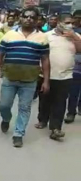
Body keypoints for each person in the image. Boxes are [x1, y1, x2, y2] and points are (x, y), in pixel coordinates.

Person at [0, 7, 50, 148]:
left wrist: (46, 81)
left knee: (24, 108)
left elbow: (45, 60)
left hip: (30, 80)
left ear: (37, 21)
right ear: (21, 18)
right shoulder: (9, 35)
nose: (29, 19)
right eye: (26, 16)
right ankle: (6, 119)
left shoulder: (42, 38)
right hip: (9, 78)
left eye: (32, 17)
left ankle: (18, 134)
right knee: (4, 105)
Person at [35, 13, 81, 141]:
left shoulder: (75, 36)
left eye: (71, 23)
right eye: (66, 22)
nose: (70, 25)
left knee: (60, 102)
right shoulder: (47, 36)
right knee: (45, 99)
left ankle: (56, 128)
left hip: (65, 75)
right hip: (46, 75)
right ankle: (43, 119)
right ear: (59, 22)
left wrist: (74, 37)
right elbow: (39, 53)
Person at [65, 10, 81, 123]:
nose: (78, 20)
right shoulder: (69, 31)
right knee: (73, 91)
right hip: (75, 65)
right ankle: (71, 112)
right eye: (76, 17)